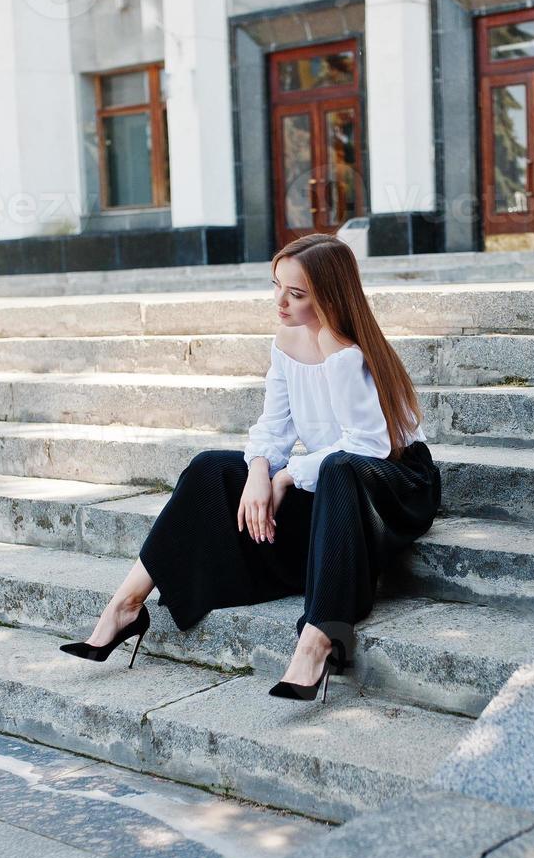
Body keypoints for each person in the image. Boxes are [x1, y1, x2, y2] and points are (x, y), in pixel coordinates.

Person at [59, 233, 441, 702]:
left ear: (329, 296)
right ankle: (126, 605)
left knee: (340, 467)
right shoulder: (286, 340)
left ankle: (321, 636)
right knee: (210, 469)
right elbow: (272, 427)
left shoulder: (345, 348)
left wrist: (286, 476)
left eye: (296, 294)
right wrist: (260, 470)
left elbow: (368, 445)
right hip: (335, 478)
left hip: (395, 482)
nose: (280, 301)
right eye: (276, 285)